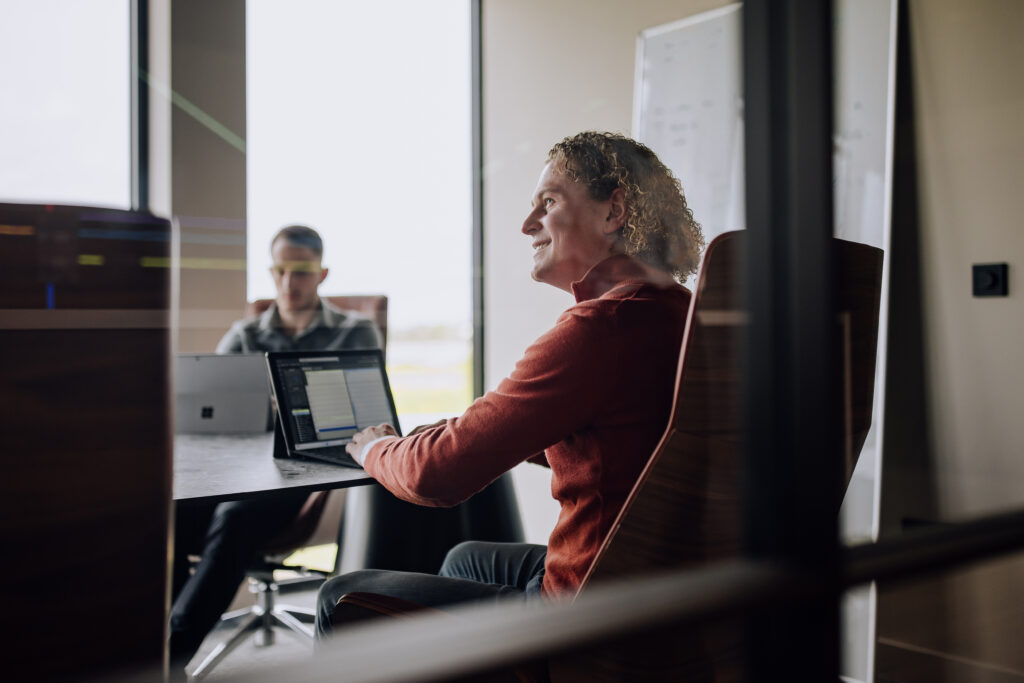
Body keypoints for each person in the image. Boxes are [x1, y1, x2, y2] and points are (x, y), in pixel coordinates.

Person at [315, 131, 704, 637]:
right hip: (664, 594)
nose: (527, 225)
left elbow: (436, 475)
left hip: (587, 614)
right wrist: (507, 434)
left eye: (548, 202)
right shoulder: (681, 315)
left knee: (335, 596)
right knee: (464, 557)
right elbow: (633, 439)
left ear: (614, 212)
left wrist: (376, 448)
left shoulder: (598, 329)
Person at [169, 225, 382, 676]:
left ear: (321, 274)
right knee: (170, 517)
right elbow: (210, 411)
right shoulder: (245, 335)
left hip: (306, 478)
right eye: (280, 270)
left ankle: (172, 654)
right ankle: (149, 642)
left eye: (301, 271)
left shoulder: (355, 331)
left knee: (235, 517)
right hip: (237, 469)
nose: (289, 282)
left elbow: (366, 416)